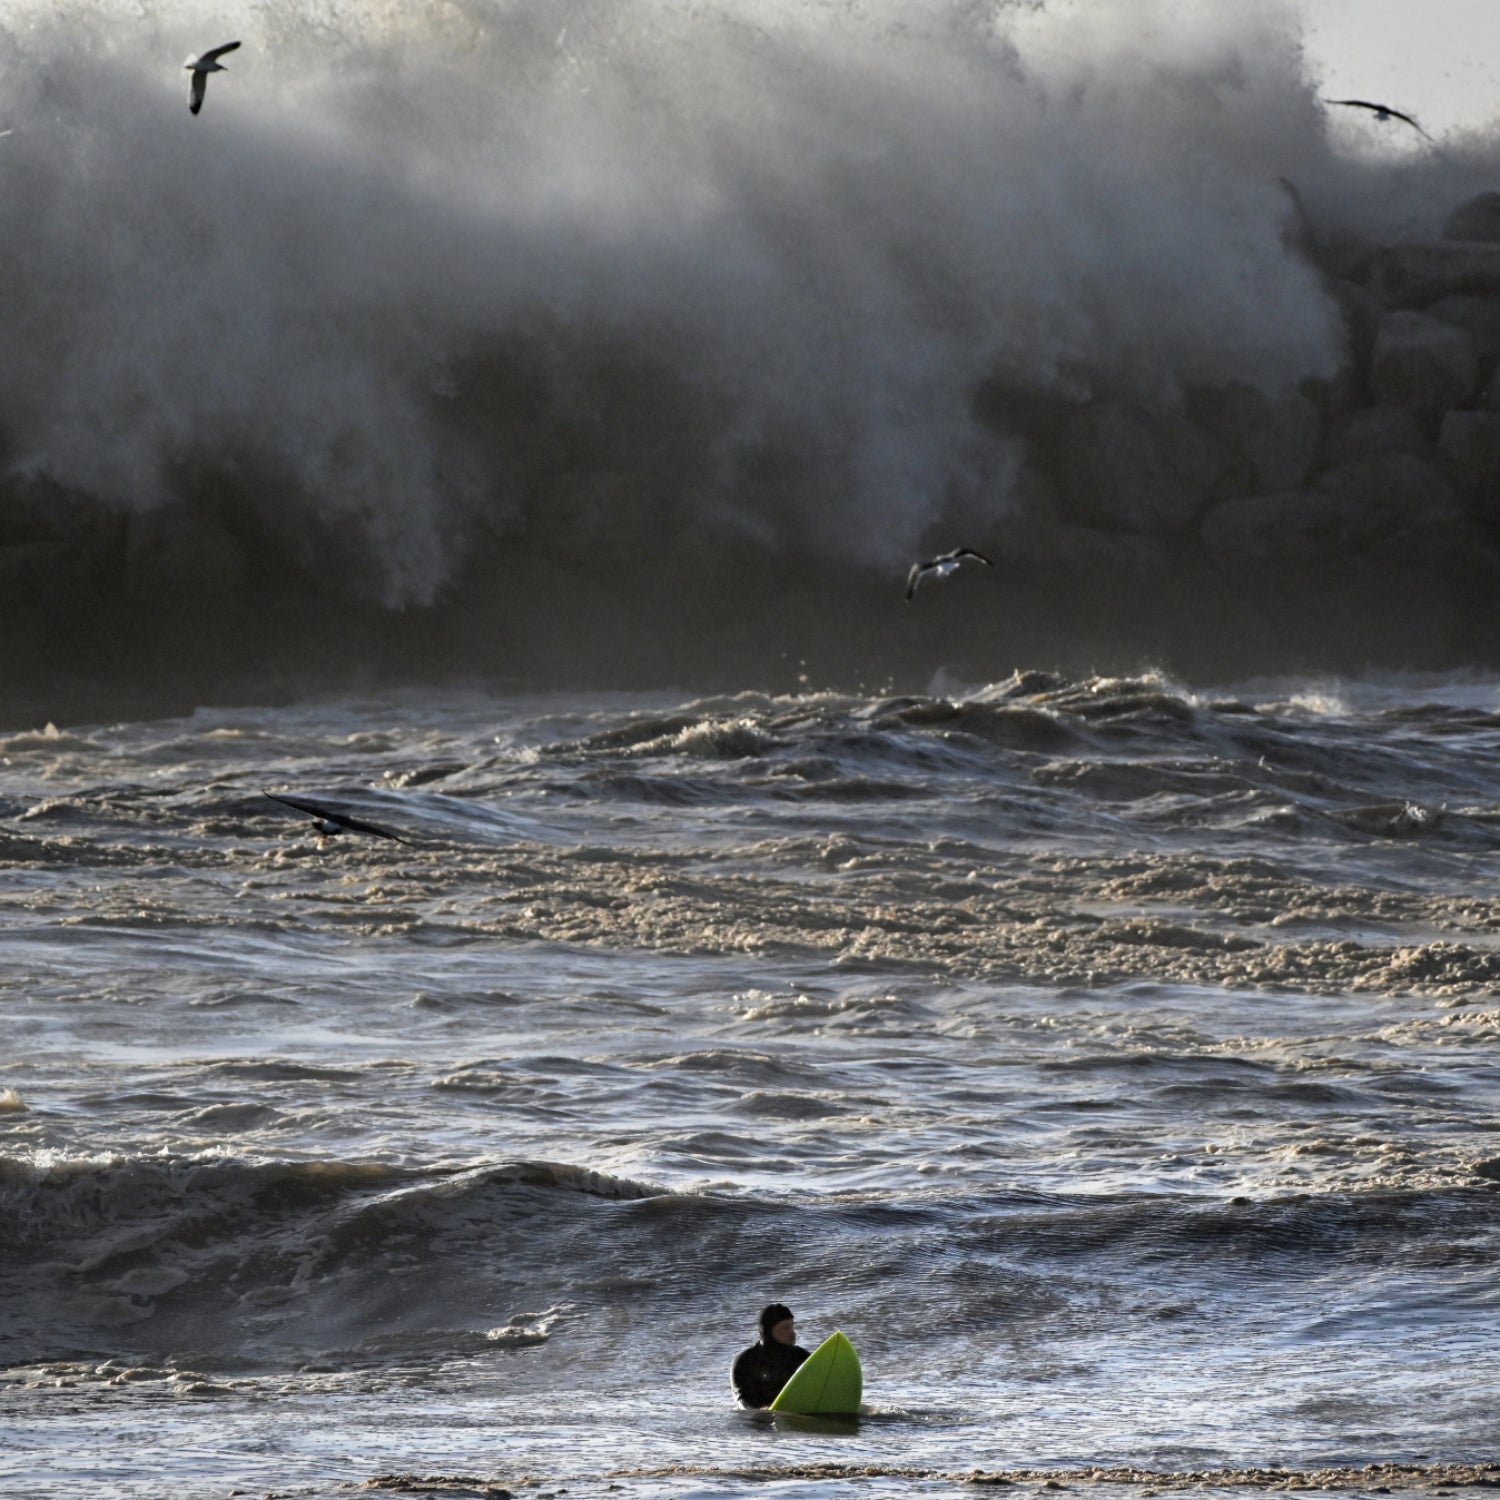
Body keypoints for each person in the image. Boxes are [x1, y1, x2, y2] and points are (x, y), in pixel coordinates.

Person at [730, 1302, 810, 1408]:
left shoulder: (801, 1356)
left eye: (792, 1326)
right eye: (785, 1328)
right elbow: (742, 1401)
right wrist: (763, 1412)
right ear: (768, 1331)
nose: (792, 1333)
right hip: (758, 1420)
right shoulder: (745, 1361)